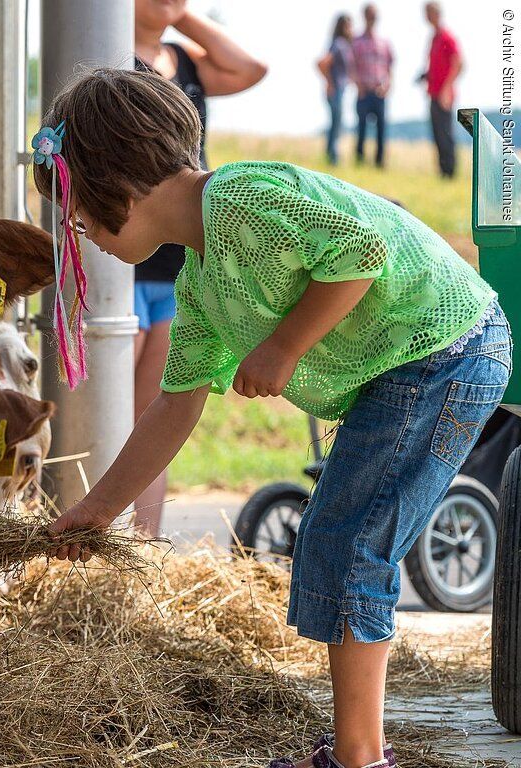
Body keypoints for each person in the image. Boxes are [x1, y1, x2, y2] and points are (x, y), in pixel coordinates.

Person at [33, 68, 509, 768]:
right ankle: (354, 749)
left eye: (81, 217)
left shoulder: (239, 199)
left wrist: (285, 345)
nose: (85, 235)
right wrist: (100, 508)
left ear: (116, 185)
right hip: (410, 364)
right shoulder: (200, 279)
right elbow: (177, 402)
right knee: (330, 539)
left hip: (445, 348)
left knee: (351, 544)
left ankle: (360, 758)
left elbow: (360, 253)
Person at [131, 0, 266, 536]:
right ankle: (88, 542)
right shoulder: (108, 56)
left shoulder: (185, 64)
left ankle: (141, 548)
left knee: (151, 417)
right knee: (105, 413)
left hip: (179, 263)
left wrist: (177, 16)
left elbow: (250, 69)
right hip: (122, 260)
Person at [421, 1, 463, 178]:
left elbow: (459, 63)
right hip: (433, 92)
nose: (427, 17)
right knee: (437, 133)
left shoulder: (447, 37)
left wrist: (446, 89)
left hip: (443, 94)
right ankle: (442, 172)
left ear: (437, 14)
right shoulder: (434, 38)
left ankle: (450, 172)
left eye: (429, 13)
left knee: (446, 134)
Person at [351, 4, 394, 167]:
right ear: (364, 17)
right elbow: (351, 66)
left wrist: (388, 85)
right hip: (363, 92)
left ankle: (379, 162)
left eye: (374, 16)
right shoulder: (356, 41)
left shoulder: (384, 42)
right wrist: (358, 85)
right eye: (369, 16)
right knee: (361, 127)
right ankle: (360, 159)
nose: (372, 19)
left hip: (379, 92)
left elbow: (390, 66)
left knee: (381, 129)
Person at [317, 14, 355, 165]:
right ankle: (333, 158)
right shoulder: (339, 44)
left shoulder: (343, 44)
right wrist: (330, 83)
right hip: (336, 90)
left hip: (340, 89)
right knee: (336, 124)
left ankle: (331, 156)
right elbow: (321, 63)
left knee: (336, 123)